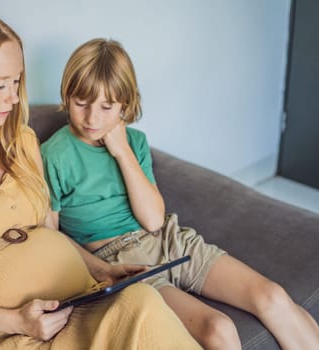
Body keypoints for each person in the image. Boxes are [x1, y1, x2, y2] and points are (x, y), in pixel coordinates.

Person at [0, 11, 201, 349]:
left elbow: (48, 231)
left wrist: (101, 271)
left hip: (73, 303)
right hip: (7, 334)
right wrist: (17, 320)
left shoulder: (22, 142)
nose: (14, 97)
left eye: (17, 81)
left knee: (144, 302)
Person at [41, 38, 319, 350]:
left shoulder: (134, 143)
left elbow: (153, 220)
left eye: (107, 107)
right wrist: (99, 271)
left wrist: (122, 153)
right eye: (82, 103)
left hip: (169, 239)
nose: (92, 118)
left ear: (125, 106)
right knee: (218, 328)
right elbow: (49, 236)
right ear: (67, 95)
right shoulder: (54, 155)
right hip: (118, 260)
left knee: (273, 297)